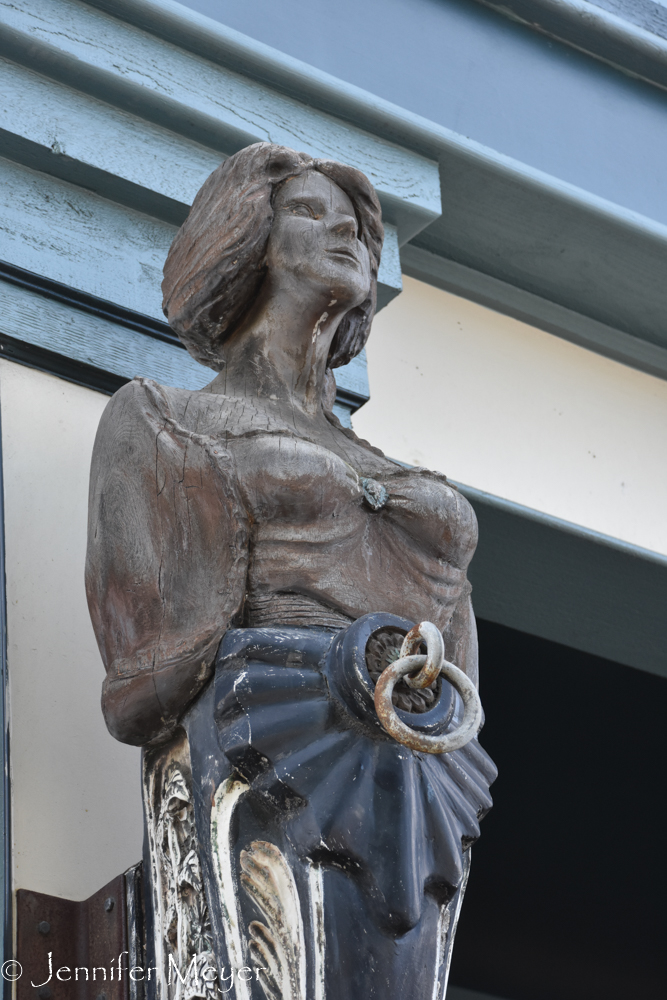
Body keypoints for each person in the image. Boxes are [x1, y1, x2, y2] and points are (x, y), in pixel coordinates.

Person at [86, 143, 496, 1000]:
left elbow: (464, 681)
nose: (344, 228)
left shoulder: (411, 480)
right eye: (309, 212)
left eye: (355, 225)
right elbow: (143, 681)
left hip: (419, 771)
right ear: (247, 242)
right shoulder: (166, 421)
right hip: (268, 742)